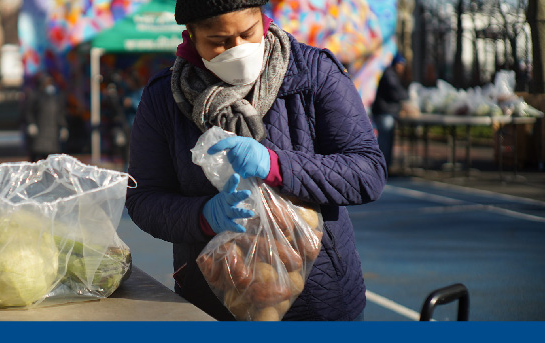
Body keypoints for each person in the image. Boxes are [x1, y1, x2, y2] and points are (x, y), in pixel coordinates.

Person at [125, 0, 386, 321]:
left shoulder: (314, 73)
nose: (237, 49)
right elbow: (143, 198)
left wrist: (275, 166)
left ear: (262, 20)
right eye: (219, 41)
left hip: (321, 301)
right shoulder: (164, 98)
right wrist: (204, 216)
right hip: (213, 299)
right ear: (190, 37)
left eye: (248, 33)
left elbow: (367, 173)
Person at [372, 54, 409, 171]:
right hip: (384, 112)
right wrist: (406, 97)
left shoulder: (390, 73)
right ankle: (382, 169)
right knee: (384, 143)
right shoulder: (390, 74)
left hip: (385, 112)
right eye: (401, 64)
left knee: (385, 141)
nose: (402, 67)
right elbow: (395, 92)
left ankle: (384, 167)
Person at [25, 73, 68, 161]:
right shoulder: (35, 95)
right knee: (37, 156)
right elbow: (28, 111)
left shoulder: (56, 97)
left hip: (53, 133)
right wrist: (31, 124)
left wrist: (63, 127)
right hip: (39, 133)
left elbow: (60, 114)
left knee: (52, 158)